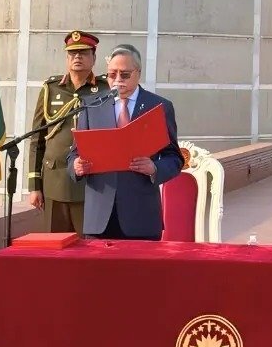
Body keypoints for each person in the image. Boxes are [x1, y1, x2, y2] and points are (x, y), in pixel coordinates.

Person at [67, 44, 184, 240]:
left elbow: (174, 158)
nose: (118, 80)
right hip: (99, 218)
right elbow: (73, 154)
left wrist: (154, 168)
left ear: (138, 73)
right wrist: (76, 166)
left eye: (125, 74)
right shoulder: (91, 105)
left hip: (141, 215)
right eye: (112, 74)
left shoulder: (159, 106)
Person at [27, 30, 110, 235]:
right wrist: (34, 185)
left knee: (90, 243)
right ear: (67, 58)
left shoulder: (105, 89)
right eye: (72, 53)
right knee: (56, 245)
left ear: (94, 58)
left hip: (91, 181)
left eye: (83, 53)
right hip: (54, 181)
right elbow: (37, 138)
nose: (77, 57)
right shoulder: (51, 88)